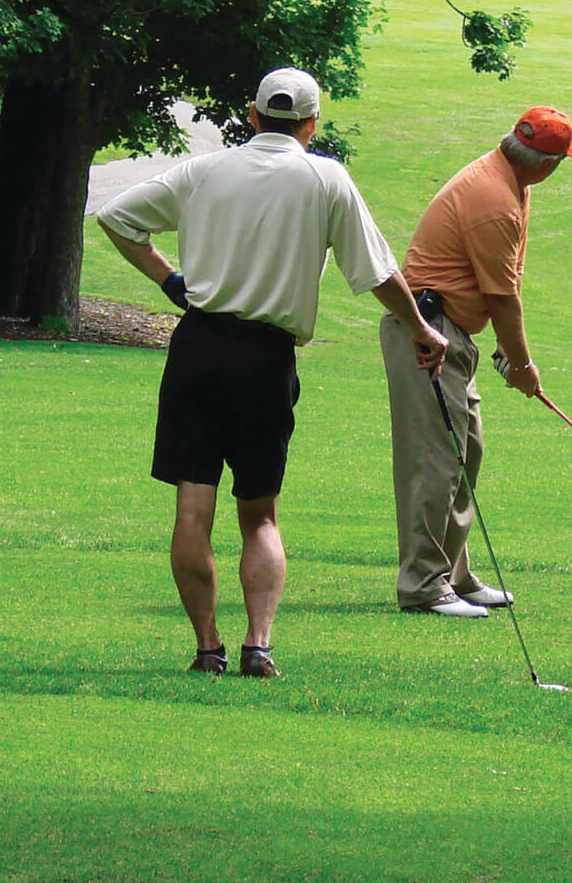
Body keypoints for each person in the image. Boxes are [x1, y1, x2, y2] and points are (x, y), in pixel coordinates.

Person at [97, 67, 448, 677]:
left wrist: (169, 280)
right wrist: (422, 329)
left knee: (191, 509)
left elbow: (118, 217)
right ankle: (259, 644)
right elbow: (378, 275)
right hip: (265, 358)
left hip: (198, 346)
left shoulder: (207, 170)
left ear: (253, 115)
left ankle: (208, 647)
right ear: (312, 123)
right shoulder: (325, 178)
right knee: (259, 513)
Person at [380, 106, 572, 617]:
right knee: (436, 461)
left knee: (465, 454)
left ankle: (453, 574)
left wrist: (501, 350)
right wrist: (521, 365)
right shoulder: (495, 198)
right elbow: (503, 296)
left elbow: (496, 282)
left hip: (454, 333)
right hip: (428, 335)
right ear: (547, 164)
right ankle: (424, 586)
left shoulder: (511, 182)